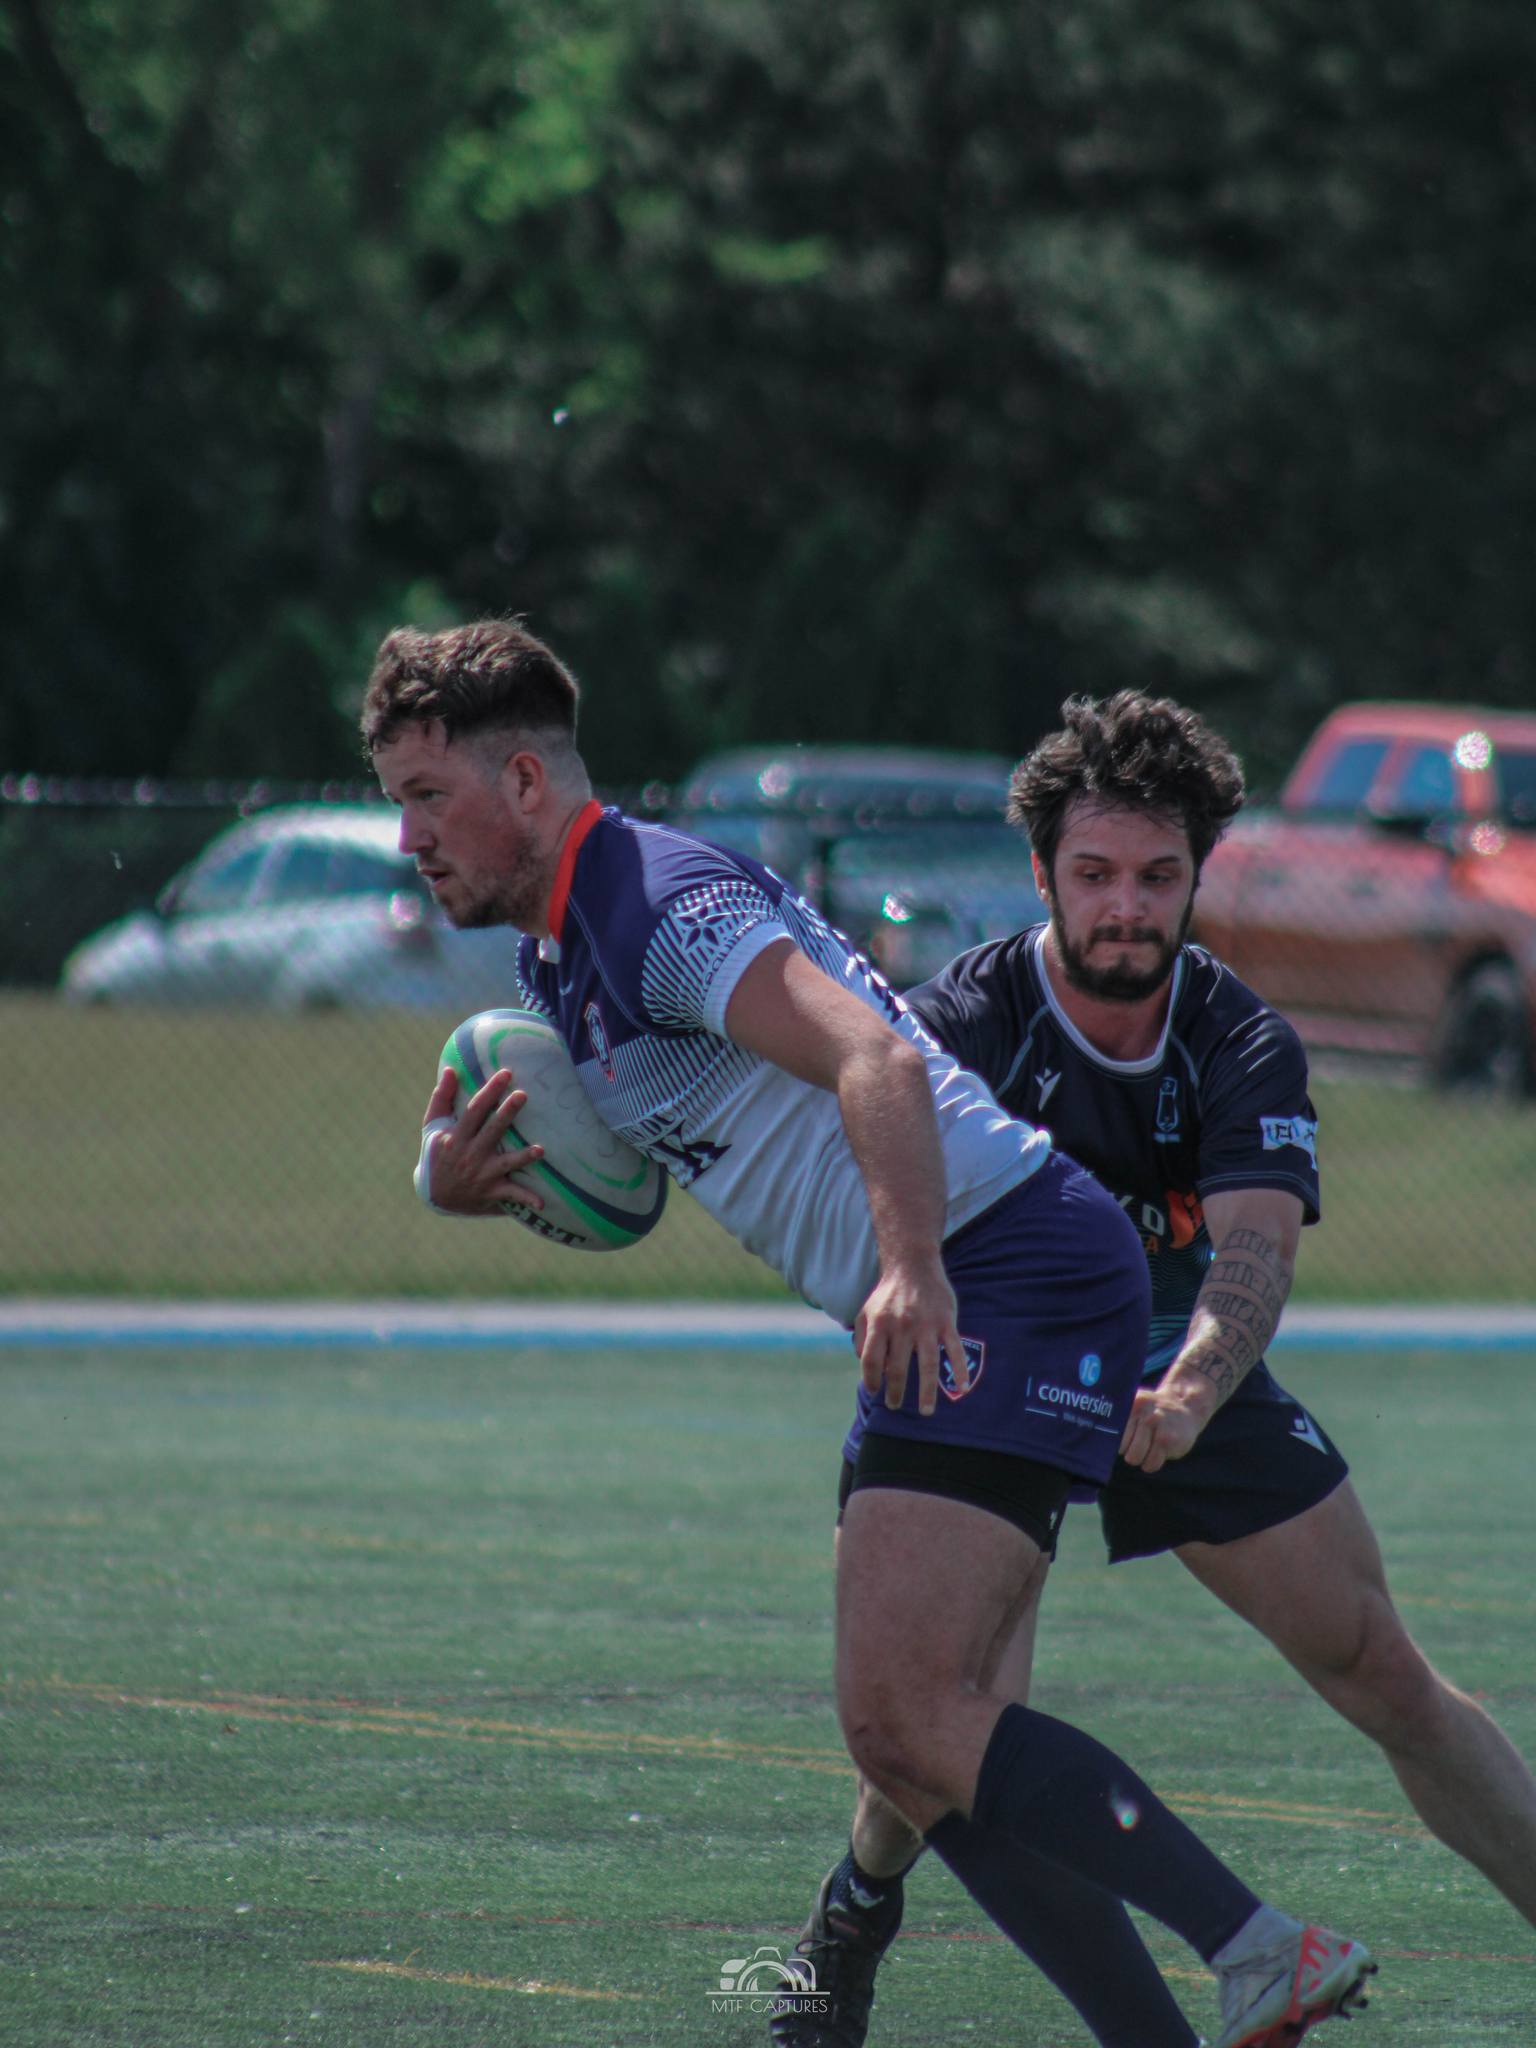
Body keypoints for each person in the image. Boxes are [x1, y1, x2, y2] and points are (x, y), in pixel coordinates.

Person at [362, 620, 1376, 2048]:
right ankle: (1188, 2001)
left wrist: (908, 1266)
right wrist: (453, 1183)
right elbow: (637, 1185)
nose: (407, 833)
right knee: (929, 1735)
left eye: (422, 794)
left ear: (523, 780)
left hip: (995, 1258)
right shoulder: (560, 964)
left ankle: (1256, 1945)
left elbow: (877, 1056)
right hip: (992, 1262)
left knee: (907, 1715)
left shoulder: (650, 895)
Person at [772, 688, 1536, 2048]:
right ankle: (854, 1915)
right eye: (1096, 875)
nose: (1127, 906)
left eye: (1159, 876)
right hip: (993, 1365)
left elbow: (1251, 1256)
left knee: (1379, 1662)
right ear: (1042, 874)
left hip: (1171, 1366)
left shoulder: (1240, 1039)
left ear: (1199, 875)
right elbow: (888, 1215)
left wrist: (1187, 1392)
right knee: (945, 1714)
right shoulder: (962, 1024)